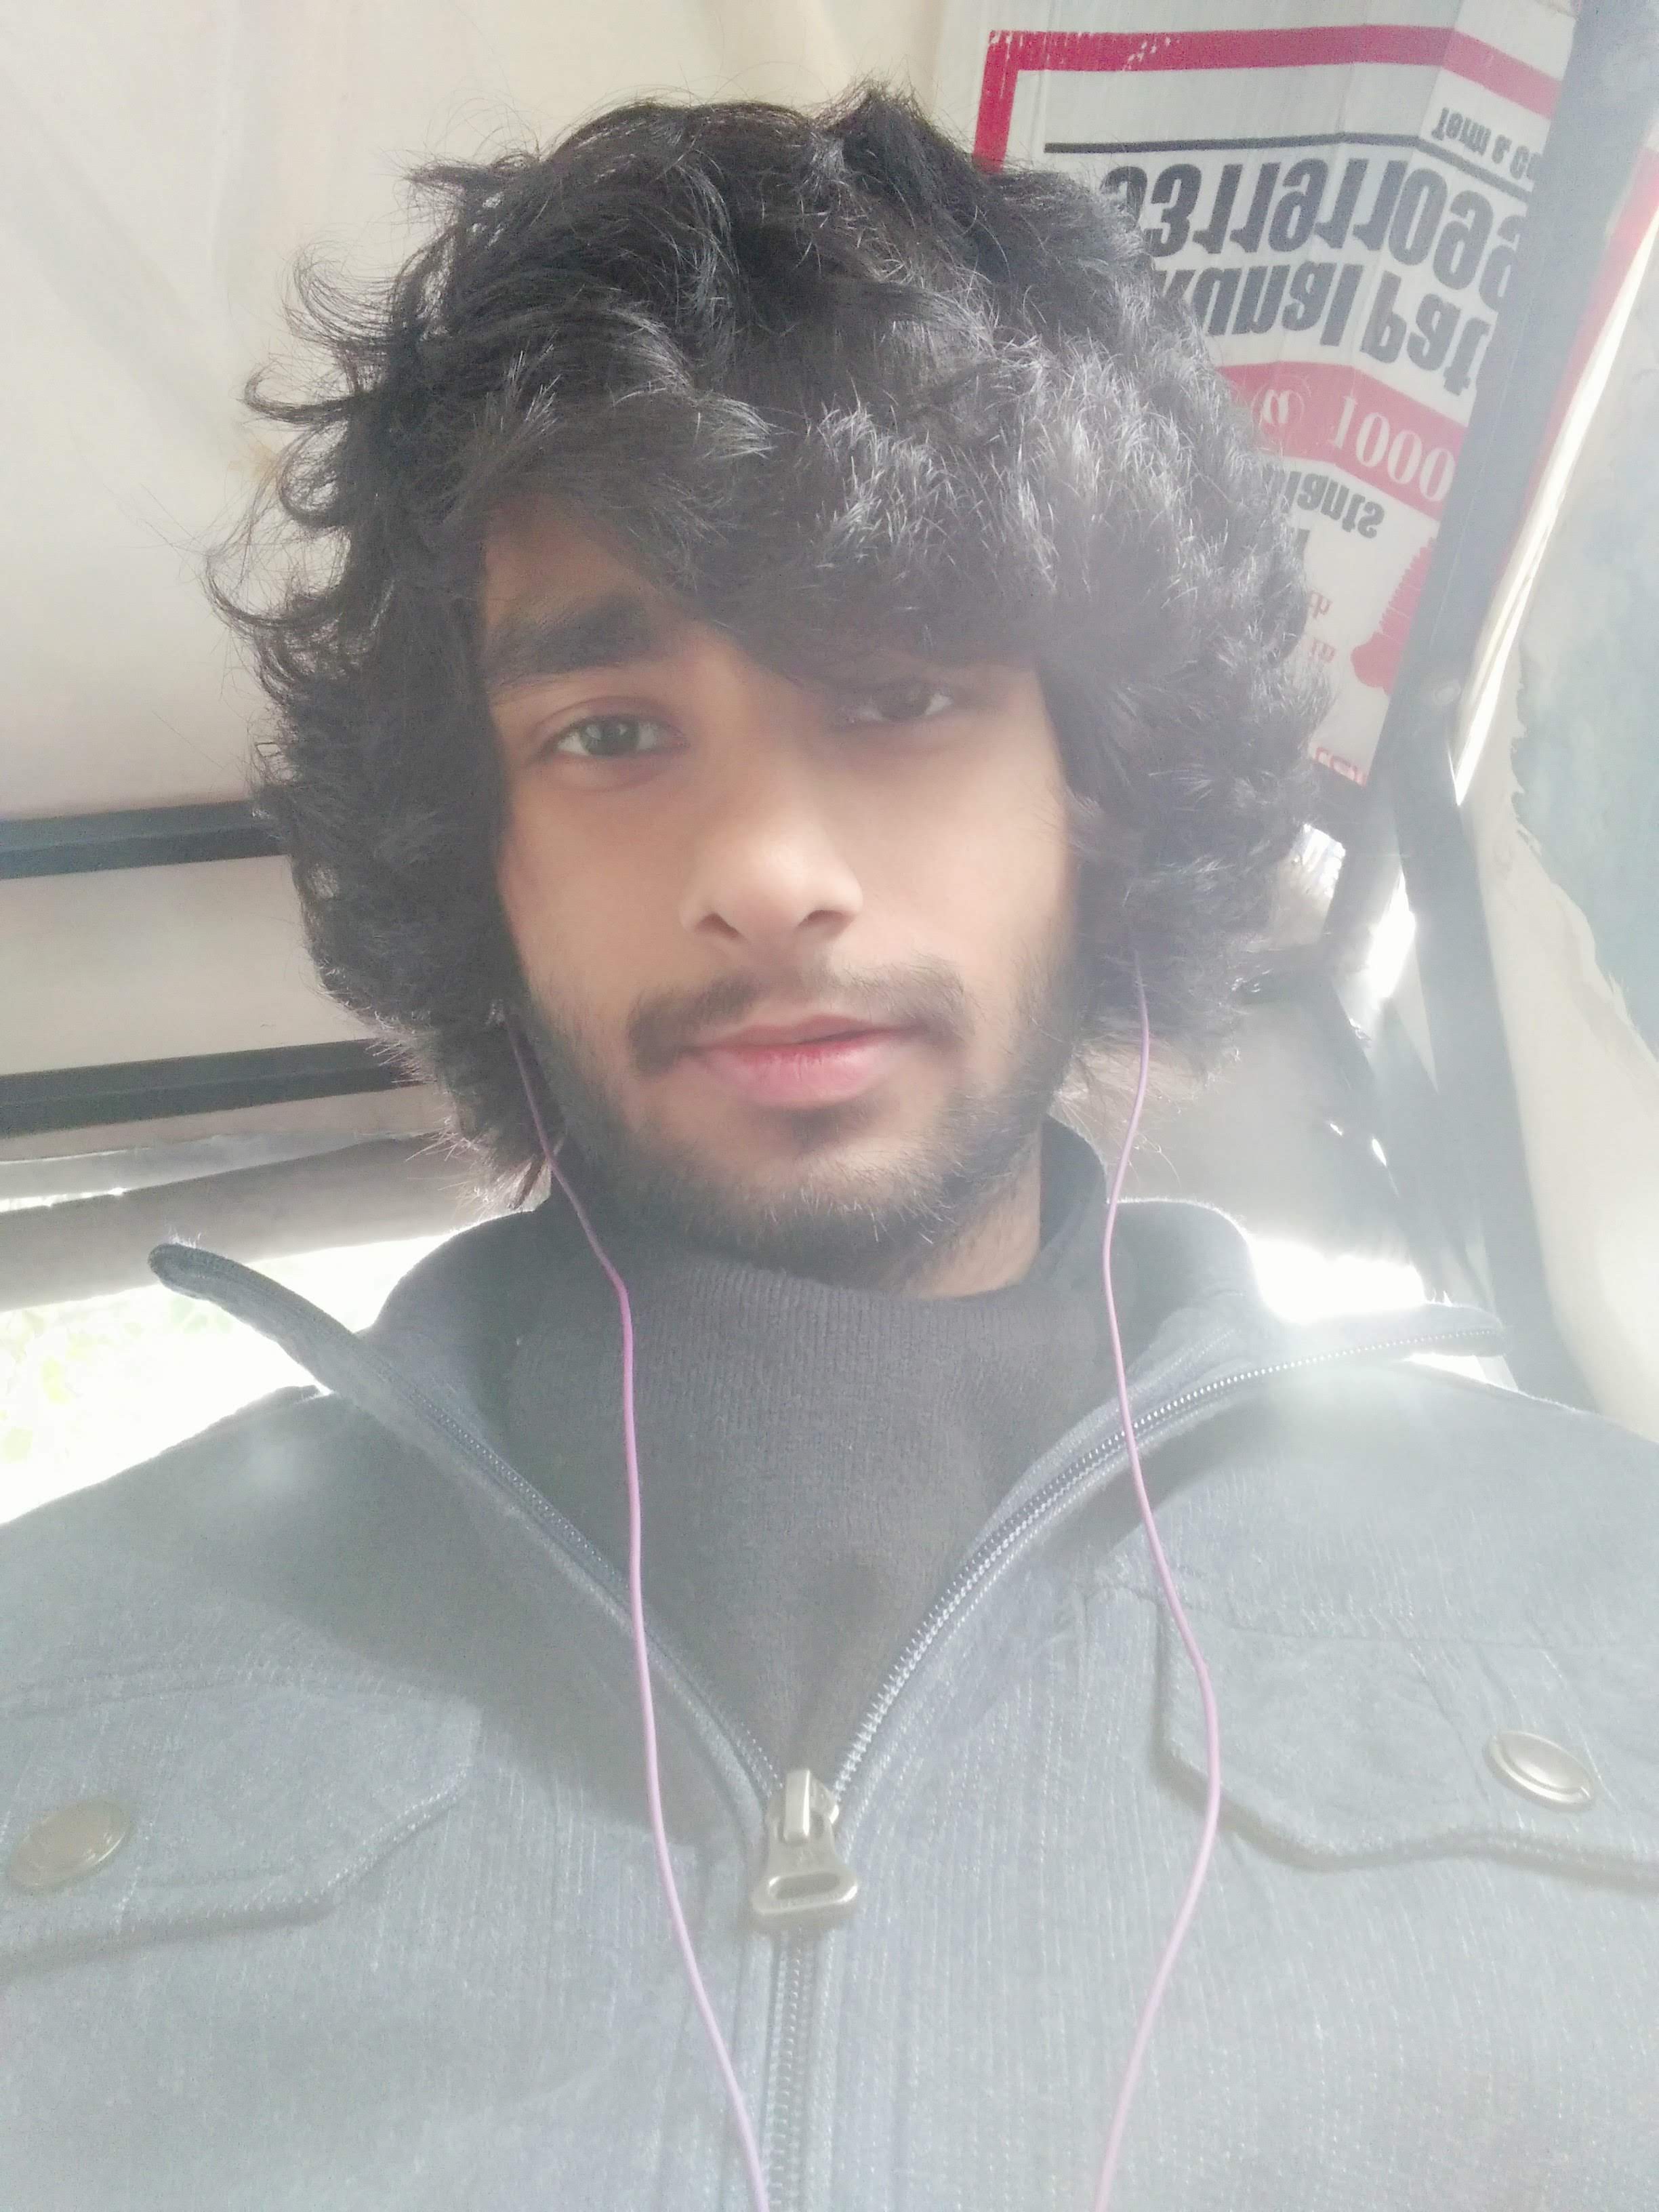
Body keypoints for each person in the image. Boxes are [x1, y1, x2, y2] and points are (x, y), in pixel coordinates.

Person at [3, 88, 1656, 2212]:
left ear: (1094, 792)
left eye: (898, 697)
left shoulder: (1612, 1593)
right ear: (478, 855)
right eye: (610, 734)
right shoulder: (51, 1667)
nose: (770, 871)